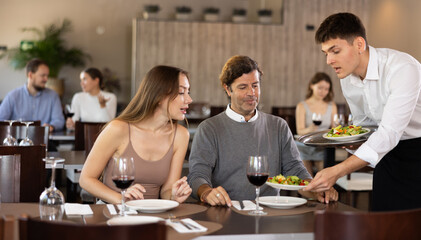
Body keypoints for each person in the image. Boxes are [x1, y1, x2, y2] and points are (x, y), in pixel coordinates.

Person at [304, 12, 421, 211]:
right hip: (388, 156)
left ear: (359, 44)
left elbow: (389, 133)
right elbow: (363, 125)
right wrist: (345, 141)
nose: (329, 61)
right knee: (382, 223)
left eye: (335, 51)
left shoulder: (402, 68)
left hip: (417, 151)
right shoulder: (347, 78)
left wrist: (337, 171)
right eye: (326, 53)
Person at [188, 55, 337, 207]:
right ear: (228, 89)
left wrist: (316, 189)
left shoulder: (279, 126)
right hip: (226, 210)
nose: (251, 93)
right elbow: (197, 175)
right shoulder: (209, 129)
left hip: (270, 211)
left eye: (255, 85)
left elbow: (295, 170)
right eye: (243, 87)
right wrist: (206, 192)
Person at [79, 65, 193, 204]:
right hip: (115, 211)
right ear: (159, 95)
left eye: (188, 92)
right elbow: (86, 179)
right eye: (181, 92)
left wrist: (173, 196)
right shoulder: (118, 129)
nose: (189, 99)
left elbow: (166, 190)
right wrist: (121, 199)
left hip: (153, 215)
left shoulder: (181, 135)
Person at [0, 58, 64, 132]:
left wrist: (51, 126)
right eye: (43, 75)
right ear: (30, 75)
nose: (46, 79)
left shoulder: (53, 96)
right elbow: (1, 119)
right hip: (17, 141)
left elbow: (59, 120)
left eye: (47, 76)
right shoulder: (12, 96)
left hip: (44, 141)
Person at [295, 72, 338, 176]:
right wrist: (310, 128)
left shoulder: (332, 106)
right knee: (306, 180)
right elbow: (299, 131)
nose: (323, 92)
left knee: (323, 178)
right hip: (304, 145)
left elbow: (334, 128)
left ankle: (321, 192)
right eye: (320, 88)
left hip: (322, 145)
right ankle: (307, 191)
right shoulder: (302, 106)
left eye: (326, 89)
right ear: (312, 86)